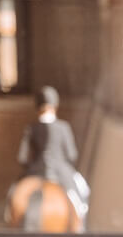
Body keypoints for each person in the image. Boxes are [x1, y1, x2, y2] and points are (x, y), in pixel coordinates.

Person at [17, 85, 90, 225]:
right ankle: (80, 224)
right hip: (61, 172)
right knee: (83, 190)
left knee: (14, 192)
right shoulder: (63, 127)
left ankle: (9, 216)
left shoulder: (31, 128)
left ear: (37, 107)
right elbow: (72, 155)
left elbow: (22, 157)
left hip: (35, 171)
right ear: (55, 106)